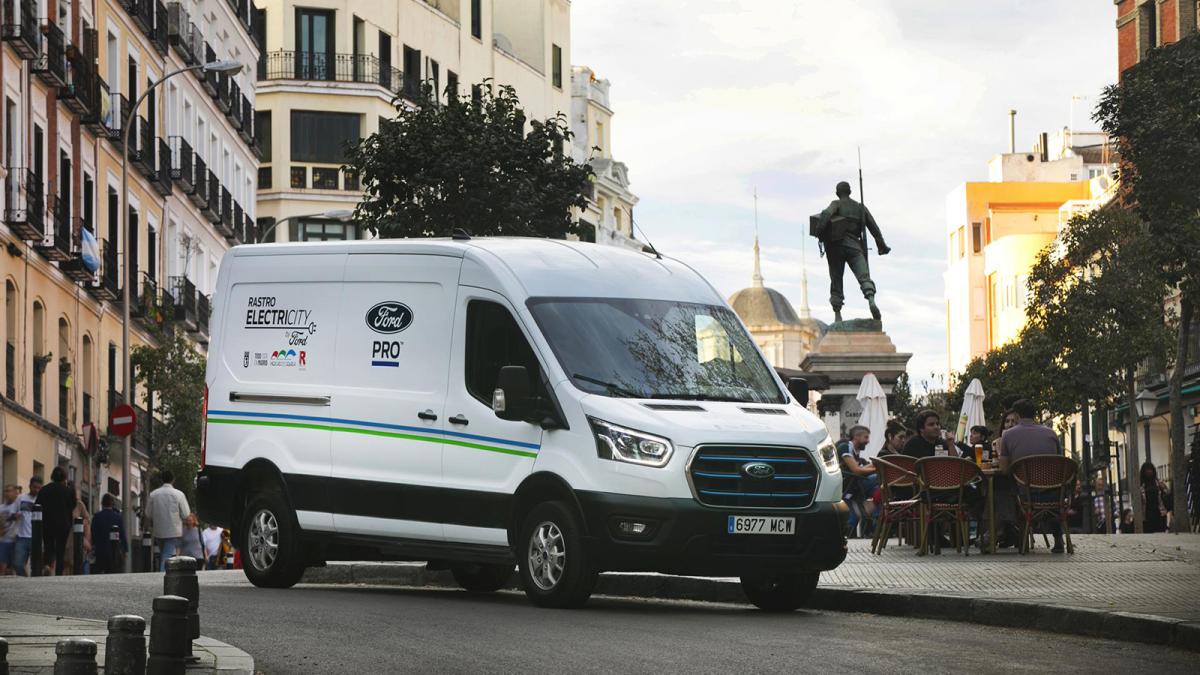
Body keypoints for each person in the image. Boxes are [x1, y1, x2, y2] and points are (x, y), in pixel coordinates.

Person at [813, 181, 891, 322]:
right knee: (864, 277)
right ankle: (871, 300)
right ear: (850, 191)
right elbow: (874, 228)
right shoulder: (860, 208)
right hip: (854, 246)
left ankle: (837, 315)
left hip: (836, 247)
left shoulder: (836, 204)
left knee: (836, 279)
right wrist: (882, 246)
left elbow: (825, 214)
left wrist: (819, 233)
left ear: (838, 193)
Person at [996, 398, 1065, 552]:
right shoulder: (1051, 434)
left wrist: (1001, 452)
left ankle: (1012, 535)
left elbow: (1005, 469)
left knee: (1004, 488)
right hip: (1054, 492)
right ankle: (1058, 537)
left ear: (1018, 416)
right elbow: (1060, 462)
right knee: (1050, 498)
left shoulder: (1008, 435)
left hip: (1026, 493)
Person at [145, 470, 191, 571]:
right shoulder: (179, 494)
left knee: (164, 553)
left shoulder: (153, 494)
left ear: (162, 479)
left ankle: (166, 573)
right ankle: (163, 575)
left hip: (158, 530)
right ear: (173, 480)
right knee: (167, 554)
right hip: (173, 530)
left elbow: (148, 513)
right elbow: (186, 514)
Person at [35, 466, 76, 575]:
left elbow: (37, 505)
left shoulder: (44, 490)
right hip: (63, 525)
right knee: (60, 550)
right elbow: (73, 505)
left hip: (47, 524)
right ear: (64, 478)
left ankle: (48, 565)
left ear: (52, 477)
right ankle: (58, 572)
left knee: (49, 546)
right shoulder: (69, 491)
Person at [839, 425, 878, 536]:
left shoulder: (855, 453)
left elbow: (860, 469)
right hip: (849, 485)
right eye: (866, 437)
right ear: (856, 436)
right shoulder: (845, 447)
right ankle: (875, 523)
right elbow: (856, 471)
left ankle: (876, 524)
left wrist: (875, 466)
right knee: (881, 479)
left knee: (880, 489)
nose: (868, 441)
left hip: (854, 485)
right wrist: (877, 469)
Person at [91, 493, 127, 574]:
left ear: (102, 503)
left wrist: (93, 546)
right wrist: (125, 549)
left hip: (100, 550)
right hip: (113, 551)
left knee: (99, 570)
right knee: (112, 571)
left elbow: (93, 533)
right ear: (112, 504)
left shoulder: (97, 516)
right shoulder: (118, 517)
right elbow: (122, 534)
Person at [11, 477, 40, 576]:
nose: (36, 490)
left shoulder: (41, 500)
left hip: (36, 538)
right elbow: (12, 513)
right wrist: (15, 516)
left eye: (38, 488)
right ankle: (25, 579)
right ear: (30, 486)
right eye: (34, 487)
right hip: (21, 537)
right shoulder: (21, 498)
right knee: (17, 564)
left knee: (36, 566)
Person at [63, 481, 92, 575]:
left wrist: (85, 540)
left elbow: (87, 520)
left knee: (76, 566)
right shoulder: (62, 503)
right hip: (64, 539)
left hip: (76, 540)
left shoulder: (79, 505)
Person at [1140, 463, 1170, 533]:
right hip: (1146, 515)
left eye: (1150, 469)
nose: (1149, 472)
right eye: (1147, 470)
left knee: (1160, 533)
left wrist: (1163, 489)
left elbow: (1167, 493)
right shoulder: (1141, 485)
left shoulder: (1159, 482)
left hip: (1159, 513)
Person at [0, 484, 19, 575]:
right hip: (3, 540)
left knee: (16, 566)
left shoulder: (17, 506)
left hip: (15, 540)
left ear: (15, 493)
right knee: (2, 567)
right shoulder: (1, 507)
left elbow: (19, 517)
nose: (7, 493)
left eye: (9, 491)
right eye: (6, 491)